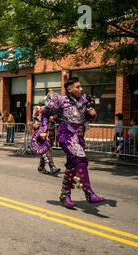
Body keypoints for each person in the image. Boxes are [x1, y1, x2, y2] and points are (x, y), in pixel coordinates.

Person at [31, 77, 104, 208]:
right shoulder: (61, 100)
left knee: (72, 165)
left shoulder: (84, 100)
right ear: (69, 89)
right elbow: (45, 113)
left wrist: (91, 114)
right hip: (66, 135)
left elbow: (88, 116)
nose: (81, 89)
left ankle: (65, 195)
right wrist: (44, 129)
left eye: (81, 86)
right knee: (81, 160)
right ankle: (89, 192)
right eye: (78, 87)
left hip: (79, 136)